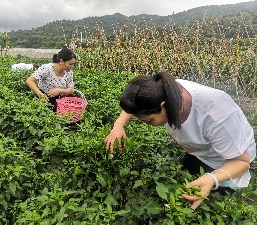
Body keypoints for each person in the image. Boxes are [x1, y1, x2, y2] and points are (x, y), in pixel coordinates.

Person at [104, 71, 256, 210]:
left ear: (162, 106)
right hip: (198, 151)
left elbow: (242, 161)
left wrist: (212, 178)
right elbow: (136, 100)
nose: (147, 124)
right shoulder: (163, 91)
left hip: (229, 159)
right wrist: (119, 125)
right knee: (187, 186)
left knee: (213, 203)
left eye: (148, 121)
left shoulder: (216, 115)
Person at [26, 48, 76, 112]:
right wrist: (41, 95)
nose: (72, 66)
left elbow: (71, 90)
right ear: (61, 61)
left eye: (73, 64)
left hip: (60, 101)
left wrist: (59, 91)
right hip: (45, 98)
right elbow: (30, 81)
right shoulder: (47, 68)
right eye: (70, 64)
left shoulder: (69, 72)